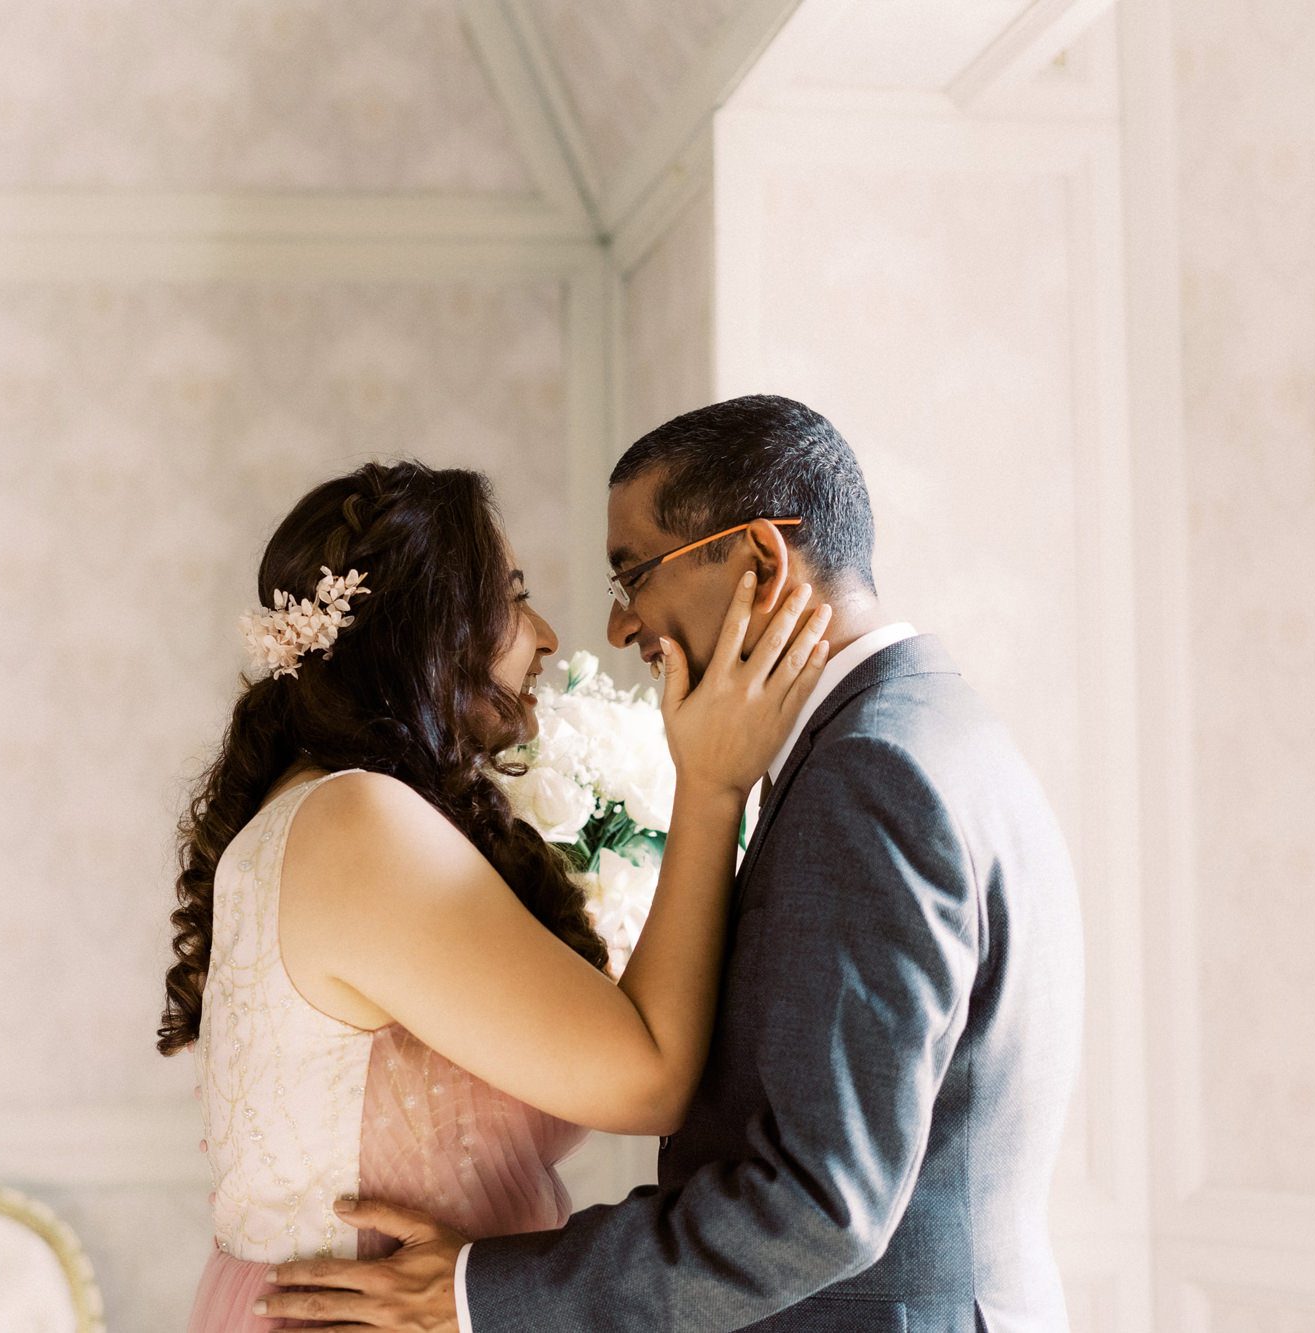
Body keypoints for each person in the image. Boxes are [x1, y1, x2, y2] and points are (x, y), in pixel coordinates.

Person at [263, 396, 1086, 1331]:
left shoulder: (870, 773)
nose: (618, 629)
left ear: (760, 563)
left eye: (633, 576)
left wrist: (475, 1291)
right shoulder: (933, 728)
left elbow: (821, 1199)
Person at [158, 458, 833, 1331]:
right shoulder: (355, 824)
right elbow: (650, 1081)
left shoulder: (315, 810)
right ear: (430, 630)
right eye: (511, 599)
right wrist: (709, 784)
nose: (547, 635)